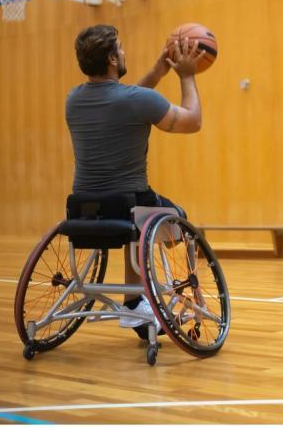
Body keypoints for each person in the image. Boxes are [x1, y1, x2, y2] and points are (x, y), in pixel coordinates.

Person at [66, 24, 204, 339]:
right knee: (175, 218)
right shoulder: (137, 100)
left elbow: (125, 104)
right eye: (122, 48)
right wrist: (186, 75)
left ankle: (134, 301)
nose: (125, 52)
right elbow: (193, 121)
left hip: (83, 209)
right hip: (132, 205)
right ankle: (170, 297)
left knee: (137, 218)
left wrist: (157, 71)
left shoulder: (73, 99)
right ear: (113, 59)